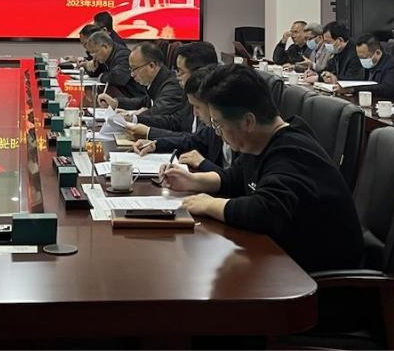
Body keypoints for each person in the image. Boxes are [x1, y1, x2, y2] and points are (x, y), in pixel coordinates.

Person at [161, 65, 364, 273]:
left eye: (219, 125)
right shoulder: (262, 142)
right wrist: (193, 181)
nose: (218, 134)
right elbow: (236, 177)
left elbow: (265, 211)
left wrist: (210, 204)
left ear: (248, 121)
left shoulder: (293, 153)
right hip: (281, 259)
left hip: (316, 277)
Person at [135, 62, 228, 172]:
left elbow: (235, 179)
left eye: (197, 107)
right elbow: (194, 141)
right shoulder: (213, 126)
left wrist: (203, 164)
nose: (195, 113)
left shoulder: (236, 133)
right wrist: (156, 144)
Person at [99, 43, 189, 139]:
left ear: (151, 66)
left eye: (135, 69)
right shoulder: (158, 80)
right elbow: (145, 101)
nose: (132, 74)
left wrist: (134, 117)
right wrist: (116, 103)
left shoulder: (172, 86)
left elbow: (158, 113)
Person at [84, 30, 146, 100]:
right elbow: (96, 74)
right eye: (91, 53)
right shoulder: (105, 57)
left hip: (135, 99)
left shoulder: (123, 55)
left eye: (95, 52)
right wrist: (89, 67)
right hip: (121, 97)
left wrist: (101, 76)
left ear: (105, 47)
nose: (93, 56)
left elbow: (118, 78)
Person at [348, 33, 394, 101]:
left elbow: (386, 89)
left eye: (364, 58)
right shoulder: (369, 65)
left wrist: (353, 89)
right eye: (359, 57)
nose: (362, 60)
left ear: (378, 53)